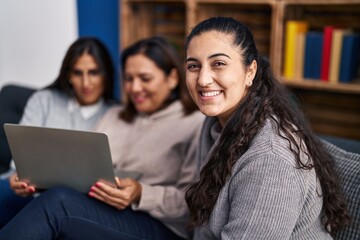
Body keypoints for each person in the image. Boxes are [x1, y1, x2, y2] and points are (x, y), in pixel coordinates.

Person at [0, 36, 204, 240]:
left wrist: (141, 193)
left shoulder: (194, 124)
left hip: (159, 226)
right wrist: (40, 181)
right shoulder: (115, 116)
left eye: (145, 78)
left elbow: (192, 203)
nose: (134, 88)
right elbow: (82, 169)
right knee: (44, 199)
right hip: (105, 211)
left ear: (172, 78)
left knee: (59, 202)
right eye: (129, 78)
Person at [184, 17, 350, 239]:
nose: (203, 80)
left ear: (250, 72)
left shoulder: (270, 159)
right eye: (194, 66)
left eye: (219, 64)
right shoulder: (215, 123)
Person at [0, 37, 116, 227]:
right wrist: (18, 180)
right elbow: (19, 162)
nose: (86, 83)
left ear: (106, 75)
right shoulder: (43, 100)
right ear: (68, 75)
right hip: (24, 191)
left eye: (93, 73)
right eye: (78, 73)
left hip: (76, 203)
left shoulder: (116, 115)